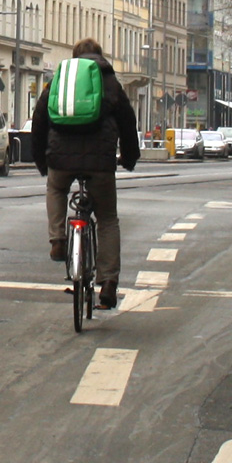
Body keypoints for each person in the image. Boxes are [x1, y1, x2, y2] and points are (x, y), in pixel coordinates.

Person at [31, 37, 140, 310]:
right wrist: (129, 157)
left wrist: (41, 161)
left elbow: (40, 120)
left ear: (74, 57)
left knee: (56, 189)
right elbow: (128, 121)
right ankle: (109, 283)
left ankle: (57, 240)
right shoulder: (110, 82)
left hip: (60, 157)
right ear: (99, 57)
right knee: (107, 219)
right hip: (100, 162)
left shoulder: (59, 80)